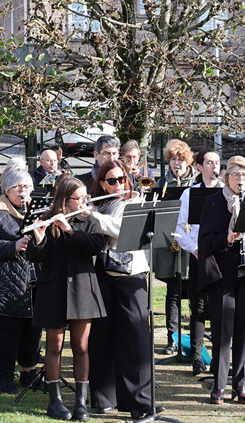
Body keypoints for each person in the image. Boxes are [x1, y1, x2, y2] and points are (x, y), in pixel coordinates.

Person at [87, 160, 165, 419]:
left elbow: (122, 230)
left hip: (131, 275)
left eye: (122, 179)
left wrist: (94, 217)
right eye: (112, 180)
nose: (118, 184)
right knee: (101, 337)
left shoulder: (134, 202)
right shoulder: (95, 204)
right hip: (102, 273)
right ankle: (102, 398)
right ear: (101, 183)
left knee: (136, 339)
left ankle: (140, 402)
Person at [27, 176, 107, 421]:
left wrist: (70, 230)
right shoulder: (48, 221)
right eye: (79, 198)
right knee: (55, 347)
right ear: (65, 200)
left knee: (81, 347)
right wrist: (39, 239)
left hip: (82, 290)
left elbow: (95, 246)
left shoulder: (89, 221)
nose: (84, 201)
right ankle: (55, 402)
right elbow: (34, 257)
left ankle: (81, 403)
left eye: (86, 197)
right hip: (53, 291)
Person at [198, 156, 245, 405]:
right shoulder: (213, 202)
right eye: (236, 174)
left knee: (243, 332)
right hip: (222, 273)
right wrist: (226, 239)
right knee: (222, 332)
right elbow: (206, 240)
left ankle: (240, 384)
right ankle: (218, 385)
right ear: (226, 176)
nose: (241, 179)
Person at [0, 168, 42, 394]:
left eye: (27, 186)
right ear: (7, 189)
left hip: (32, 283)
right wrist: (11, 247)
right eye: (18, 187)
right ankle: (4, 377)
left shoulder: (37, 210)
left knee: (33, 331)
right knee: (8, 332)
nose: (24, 191)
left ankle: (28, 373)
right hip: (3, 282)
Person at [174, 148, 222, 375]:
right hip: (200, 257)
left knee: (221, 309)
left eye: (217, 162)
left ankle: (220, 360)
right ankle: (197, 358)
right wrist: (193, 248)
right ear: (199, 167)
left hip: (224, 258)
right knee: (199, 308)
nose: (215, 167)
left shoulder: (227, 192)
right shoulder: (190, 194)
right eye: (210, 163)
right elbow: (178, 230)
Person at [154, 139, 197, 355]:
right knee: (172, 292)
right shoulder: (162, 183)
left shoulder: (197, 183)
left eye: (180, 159)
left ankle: (195, 341)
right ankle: (172, 339)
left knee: (195, 292)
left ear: (187, 160)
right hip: (171, 244)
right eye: (172, 160)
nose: (176, 164)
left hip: (192, 244)